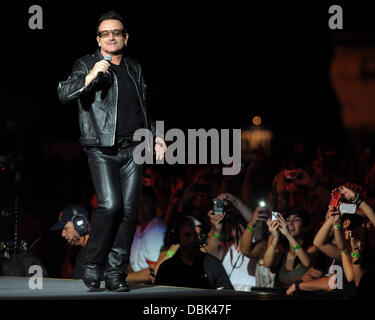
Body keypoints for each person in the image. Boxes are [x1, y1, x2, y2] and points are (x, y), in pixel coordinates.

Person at [57, 11, 166, 292]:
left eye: (116, 32)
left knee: (130, 211)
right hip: (101, 148)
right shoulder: (86, 64)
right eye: (105, 33)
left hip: (134, 149)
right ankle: (92, 265)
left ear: (125, 37)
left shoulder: (135, 68)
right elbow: (63, 93)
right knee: (111, 205)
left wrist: (157, 138)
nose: (111, 37)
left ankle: (116, 272)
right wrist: (91, 75)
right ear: (98, 39)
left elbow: (146, 109)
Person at [154, 215, 233, 290]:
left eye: (195, 235)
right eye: (187, 235)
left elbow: (228, 295)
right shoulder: (167, 268)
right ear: (177, 238)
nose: (192, 240)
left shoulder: (213, 265)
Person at [263, 209, 318, 289]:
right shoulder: (282, 250)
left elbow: (307, 262)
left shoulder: (312, 248)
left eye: (296, 219)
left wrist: (288, 235)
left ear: (305, 228)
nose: (291, 223)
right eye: (287, 220)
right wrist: (274, 236)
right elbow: (267, 264)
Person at [126, 187, 166, 283]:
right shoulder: (137, 229)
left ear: (154, 204)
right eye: (137, 201)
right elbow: (132, 266)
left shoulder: (157, 231)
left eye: (145, 201)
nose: (140, 205)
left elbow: (154, 272)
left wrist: (123, 279)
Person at [50, 204, 91, 279]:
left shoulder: (98, 251)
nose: (63, 234)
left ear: (80, 225)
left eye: (66, 228)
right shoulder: (82, 252)